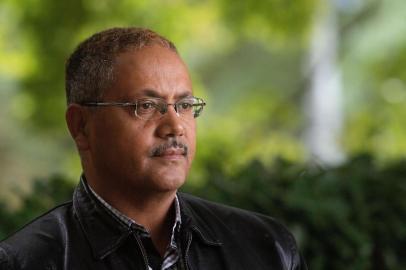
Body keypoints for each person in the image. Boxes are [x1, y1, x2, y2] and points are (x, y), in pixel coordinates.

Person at [0, 27, 306, 270]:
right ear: (81, 126)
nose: (175, 126)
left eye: (184, 105)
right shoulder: (26, 262)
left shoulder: (268, 250)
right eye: (146, 106)